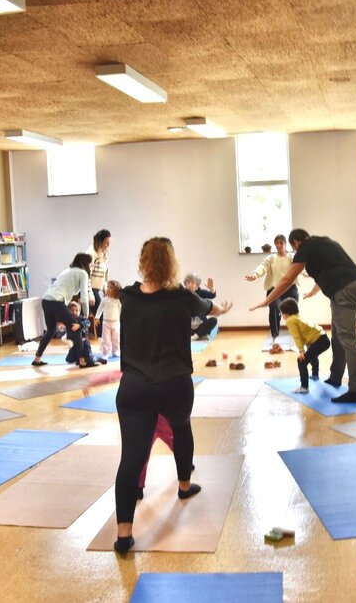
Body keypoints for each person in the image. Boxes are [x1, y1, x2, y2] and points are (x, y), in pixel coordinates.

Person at [113, 237, 232, 556]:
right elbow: (210, 308)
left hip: (134, 388)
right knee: (181, 429)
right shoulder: (183, 297)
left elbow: (126, 295)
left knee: (130, 458)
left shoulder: (128, 297)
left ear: (142, 262)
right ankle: (184, 486)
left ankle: (123, 535)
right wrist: (222, 308)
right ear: (171, 263)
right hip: (174, 385)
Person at [251, 229, 356, 403]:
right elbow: (327, 272)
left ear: (296, 243)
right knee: (338, 335)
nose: (295, 252)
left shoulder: (305, 247)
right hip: (355, 285)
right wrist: (313, 292)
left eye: (293, 248)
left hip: (344, 290)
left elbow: (287, 279)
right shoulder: (325, 242)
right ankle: (335, 377)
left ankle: (354, 391)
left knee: (347, 339)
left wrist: (267, 301)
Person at [33, 254, 105, 368]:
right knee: (76, 327)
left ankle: (37, 359)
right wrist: (86, 315)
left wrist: (62, 315)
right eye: (91, 264)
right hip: (56, 302)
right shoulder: (83, 273)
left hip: (46, 300)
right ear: (85, 264)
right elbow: (84, 296)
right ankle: (82, 361)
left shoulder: (67, 270)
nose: (92, 267)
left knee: (51, 331)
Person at [245, 234, 299, 342]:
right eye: (277, 243)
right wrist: (254, 275)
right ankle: (275, 336)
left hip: (290, 289)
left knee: (293, 312)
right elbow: (262, 267)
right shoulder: (270, 258)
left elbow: (300, 267)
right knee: (274, 308)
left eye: (281, 243)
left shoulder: (291, 257)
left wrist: (308, 273)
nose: (279, 245)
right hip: (274, 290)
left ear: (285, 244)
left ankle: (296, 335)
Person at [280, 298, 329, 394]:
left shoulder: (290, 320)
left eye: (281, 313)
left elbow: (297, 337)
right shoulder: (298, 316)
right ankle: (315, 375)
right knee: (312, 353)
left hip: (319, 341)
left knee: (301, 361)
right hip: (323, 338)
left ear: (285, 314)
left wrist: (301, 351)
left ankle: (304, 387)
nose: (282, 316)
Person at [88, 229, 111, 338]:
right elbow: (86, 274)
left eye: (109, 243)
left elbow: (105, 274)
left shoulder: (104, 255)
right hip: (90, 289)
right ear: (100, 241)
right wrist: (89, 293)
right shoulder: (91, 253)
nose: (108, 245)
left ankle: (102, 338)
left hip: (97, 288)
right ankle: (101, 338)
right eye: (106, 243)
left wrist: (105, 288)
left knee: (102, 311)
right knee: (99, 312)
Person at [183, 273, 218, 341]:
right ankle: (198, 336)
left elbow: (212, 295)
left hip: (201, 324)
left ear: (197, 286)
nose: (189, 285)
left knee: (214, 320)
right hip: (188, 325)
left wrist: (212, 289)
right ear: (185, 284)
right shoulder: (182, 294)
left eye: (192, 283)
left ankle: (195, 337)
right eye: (188, 283)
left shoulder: (200, 292)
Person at [95, 280, 122, 359]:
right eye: (108, 287)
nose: (109, 289)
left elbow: (120, 310)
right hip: (106, 322)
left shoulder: (118, 300)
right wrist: (97, 317)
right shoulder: (104, 300)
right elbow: (100, 309)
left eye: (111, 287)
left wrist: (122, 320)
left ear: (116, 290)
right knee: (106, 339)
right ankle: (106, 352)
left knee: (116, 338)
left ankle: (116, 351)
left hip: (116, 322)